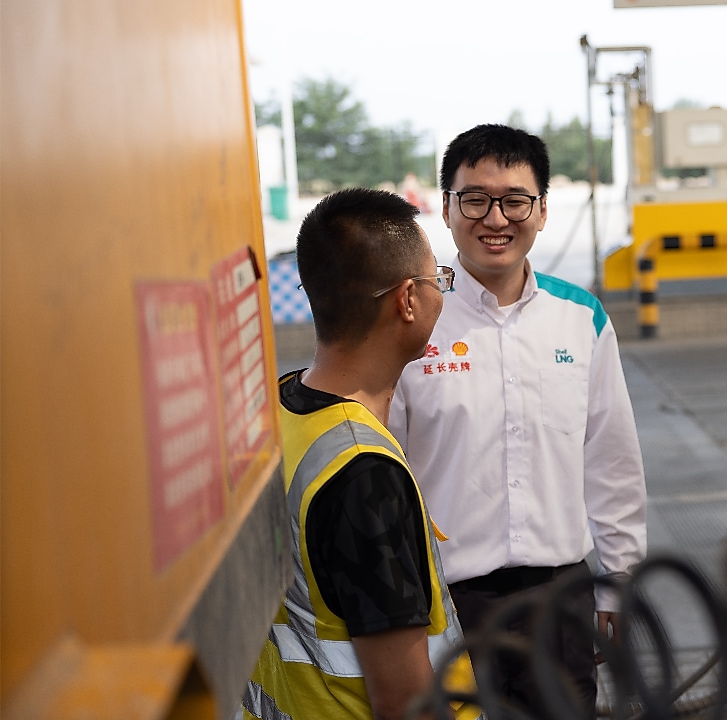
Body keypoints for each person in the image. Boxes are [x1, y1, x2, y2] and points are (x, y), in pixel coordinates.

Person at [389, 124, 647, 714]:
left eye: (514, 200)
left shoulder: (580, 317)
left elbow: (611, 461)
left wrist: (618, 582)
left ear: (542, 210)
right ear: (447, 210)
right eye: (475, 199)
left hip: (560, 599)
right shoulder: (412, 319)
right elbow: (388, 471)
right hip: (447, 602)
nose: (495, 218)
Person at [242, 188, 473, 720]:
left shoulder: (274, 413)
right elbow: (404, 700)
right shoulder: (362, 473)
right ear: (408, 299)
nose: (443, 291)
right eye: (438, 278)